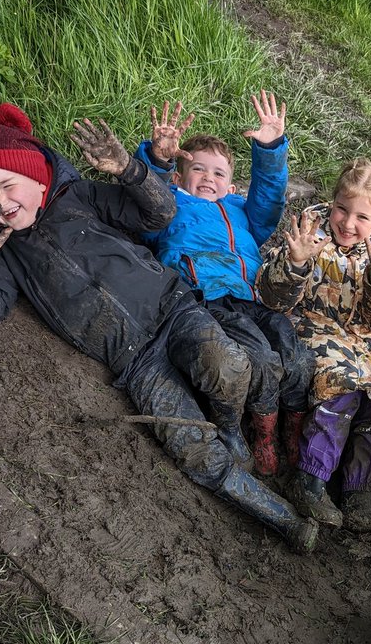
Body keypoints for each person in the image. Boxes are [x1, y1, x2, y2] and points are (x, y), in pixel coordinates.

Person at [0, 102, 316, 553]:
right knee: (190, 448)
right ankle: (284, 520)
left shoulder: (80, 196)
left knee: (229, 367)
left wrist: (128, 168)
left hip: (173, 308)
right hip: (133, 361)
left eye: (8, 184)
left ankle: (230, 426)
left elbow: (158, 214)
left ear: (38, 174)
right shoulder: (5, 253)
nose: (1, 204)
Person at [135, 92, 314, 477]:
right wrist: (157, 157)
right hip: (208, 297)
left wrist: (269, 149)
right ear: (180, 177)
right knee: (261, 358)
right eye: (197, 169)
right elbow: (144, 197)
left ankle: (292, 430)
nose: (208, 178)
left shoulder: (243, 213)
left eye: (218, 174)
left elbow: (268, 198)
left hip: (253, 295)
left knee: (297, 356)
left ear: (233, 187)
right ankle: (259, 434)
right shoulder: (171, 205)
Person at [256, 158, 371, 530]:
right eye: (342, 209)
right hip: (315, 327)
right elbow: (271, 298)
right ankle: (310, 479)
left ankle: (364, 491)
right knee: (341, 391)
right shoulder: (311, 231)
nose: (347, 223)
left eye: (362, 217)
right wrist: (294, 263)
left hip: (370, 342)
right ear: (332, 201)